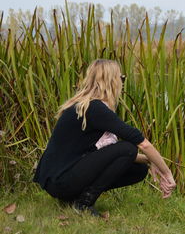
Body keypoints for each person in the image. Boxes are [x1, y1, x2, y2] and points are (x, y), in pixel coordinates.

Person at [33, 59, 176, 216]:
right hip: (60, 181)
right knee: (128, 147)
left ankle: (74, 198)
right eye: (121, 78)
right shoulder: (94, 108)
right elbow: (142, 144)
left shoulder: (86, 105)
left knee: (139, 169)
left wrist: (151, 161)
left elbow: (109, 156)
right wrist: (167, 173)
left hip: (59, 179)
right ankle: (83, 204)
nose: (122, 83)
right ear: (112, 81)